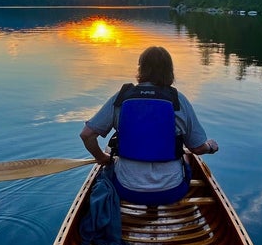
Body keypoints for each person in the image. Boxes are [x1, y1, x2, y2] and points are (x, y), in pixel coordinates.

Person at [80, 46, 219, 206]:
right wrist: (210, 146)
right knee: (187, 156)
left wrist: (101, 158)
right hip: (172, 191)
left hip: (125, 189)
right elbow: (197, 149)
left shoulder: (121, 98)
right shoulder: (179, 100)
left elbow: (87, 135)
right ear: (170, 71)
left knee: (112, 158)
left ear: (141, 69)